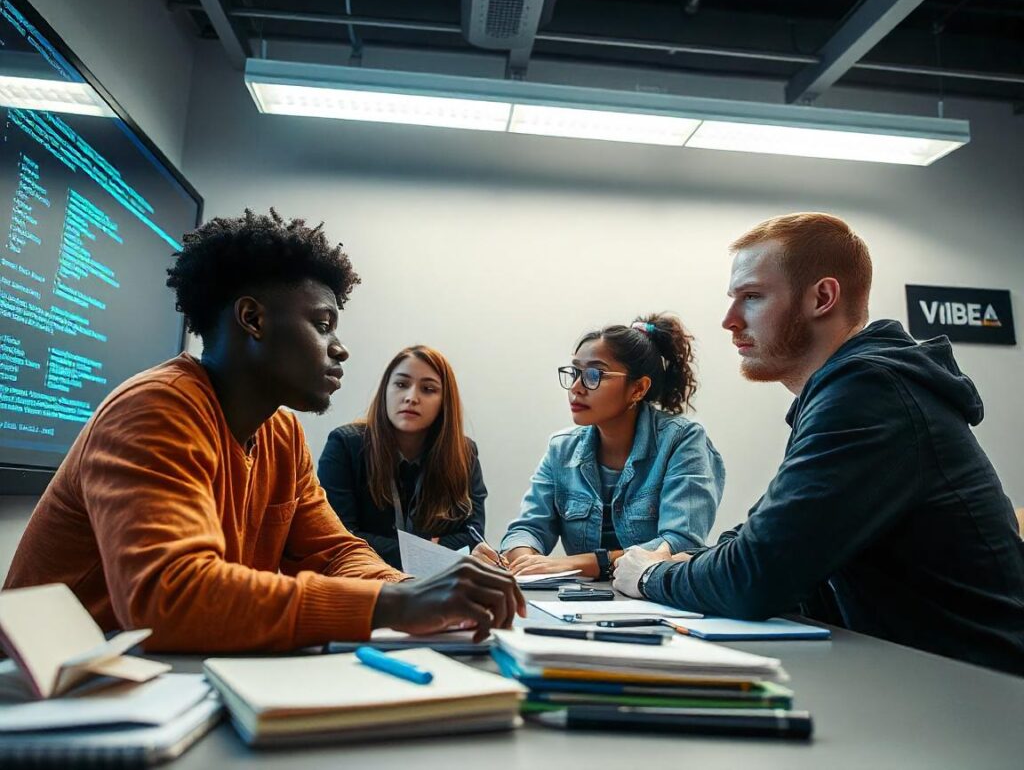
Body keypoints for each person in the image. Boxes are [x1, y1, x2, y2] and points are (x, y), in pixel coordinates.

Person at [3, 210, 523, 651]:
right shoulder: (155, 408)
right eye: (323, 325)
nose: (339, 348)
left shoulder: (281, 432)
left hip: (167, 677)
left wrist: (420, 592)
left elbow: (335, 551)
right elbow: (169, 597)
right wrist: (398, 602)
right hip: (64, 689)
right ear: (252, 319)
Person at [614, 213, 1024, 676]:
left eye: (752, 297)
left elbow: (756, 575)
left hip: (982, 695)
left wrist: (650, 576)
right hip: (919, 678)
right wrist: (695, 562)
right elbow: (765, 537)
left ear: (822, 297)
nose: (729, 321)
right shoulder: (855, 388)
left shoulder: (870, 392)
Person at [474, 313, 725, 582]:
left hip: (654, 599)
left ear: (638, 389)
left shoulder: (682, 440)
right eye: (575, 373)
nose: (576, 388)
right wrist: (523, 558)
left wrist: (574, 564)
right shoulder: (562, 449)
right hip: (582, 601)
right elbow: (529, 528)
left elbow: (679, 543)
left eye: (594, 374)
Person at [318, 346, 486, 570]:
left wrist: (394, 547)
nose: (411, 397)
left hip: (435, 586)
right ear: (385, 390)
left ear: (444, 402)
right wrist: (428, 548)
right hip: (363, 580)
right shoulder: (345, 444)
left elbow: (473, 535)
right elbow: (340, 535)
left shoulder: (464, 452)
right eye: (401, 384)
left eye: (427, 389)